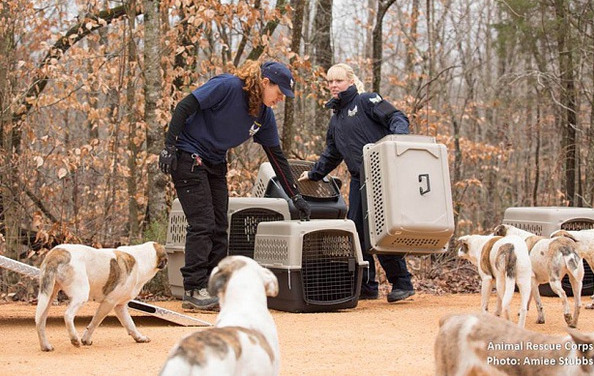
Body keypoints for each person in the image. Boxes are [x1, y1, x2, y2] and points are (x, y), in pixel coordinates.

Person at [159, 60, 311, 311]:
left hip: (215, 162)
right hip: (188, 155)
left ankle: (216, 287)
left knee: (220, 225)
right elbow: (185, 106)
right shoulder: (228, 87)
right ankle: (193, 289)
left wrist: (295, 196)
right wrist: (169, 146)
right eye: (279, 91)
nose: (281, 98)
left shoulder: (264, 115)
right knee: (203, 223)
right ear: (265, 83)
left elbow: (276, 157)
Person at [299, 63, 414, 303]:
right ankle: (367, 285)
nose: (333, 85)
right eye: (330, 81)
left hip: (382, 175)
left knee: (381, 229)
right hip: (359, 179)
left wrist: (398, 143)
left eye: (338, 81)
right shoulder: (336, 119)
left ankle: (402, 282)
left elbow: (396, 117)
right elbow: (332, 153)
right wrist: (314, 174)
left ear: (350, 82)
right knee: (358, 231)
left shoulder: (366, 101)